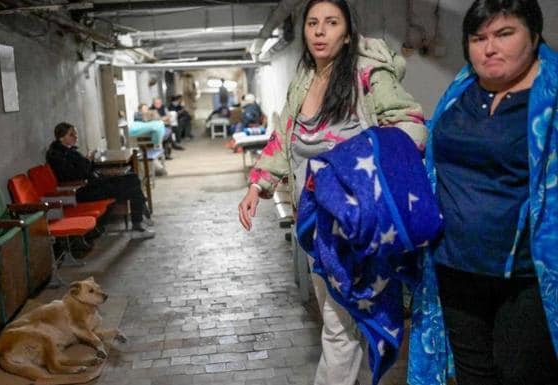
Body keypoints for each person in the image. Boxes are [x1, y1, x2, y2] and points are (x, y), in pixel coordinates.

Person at [237, 1, 426, 384]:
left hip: (356, 225)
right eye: (312, 23)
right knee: (338, 320)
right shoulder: (305, 79)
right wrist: (259, 184)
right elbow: (284, 137)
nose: (320, 31)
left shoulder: (368, 74)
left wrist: (358, 171)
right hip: (316, 225)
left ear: (346, 32)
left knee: (340, 326)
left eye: (331, 22)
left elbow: (410, 125)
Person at [413, 1, 558, 384]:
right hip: (454, 265)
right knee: (473, 374)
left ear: (534, 35)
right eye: (478, 38)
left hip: (524, 277)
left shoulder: (550, 100)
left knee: (522, 374)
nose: (489, 48)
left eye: (504, 34)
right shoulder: (461, 91)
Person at [46, 122, 154, 239]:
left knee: (132, 177)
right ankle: (139, 219)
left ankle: (139, 219)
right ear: (61, 137)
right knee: (131, 184)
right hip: (82, 191)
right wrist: (88, 160)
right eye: (71, 134)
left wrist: (90, 162)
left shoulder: (68, 150)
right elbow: (74, 175)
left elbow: (84, 170)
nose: (76, 137)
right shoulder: (56, 155)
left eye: (76, 133)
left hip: (91, 184)